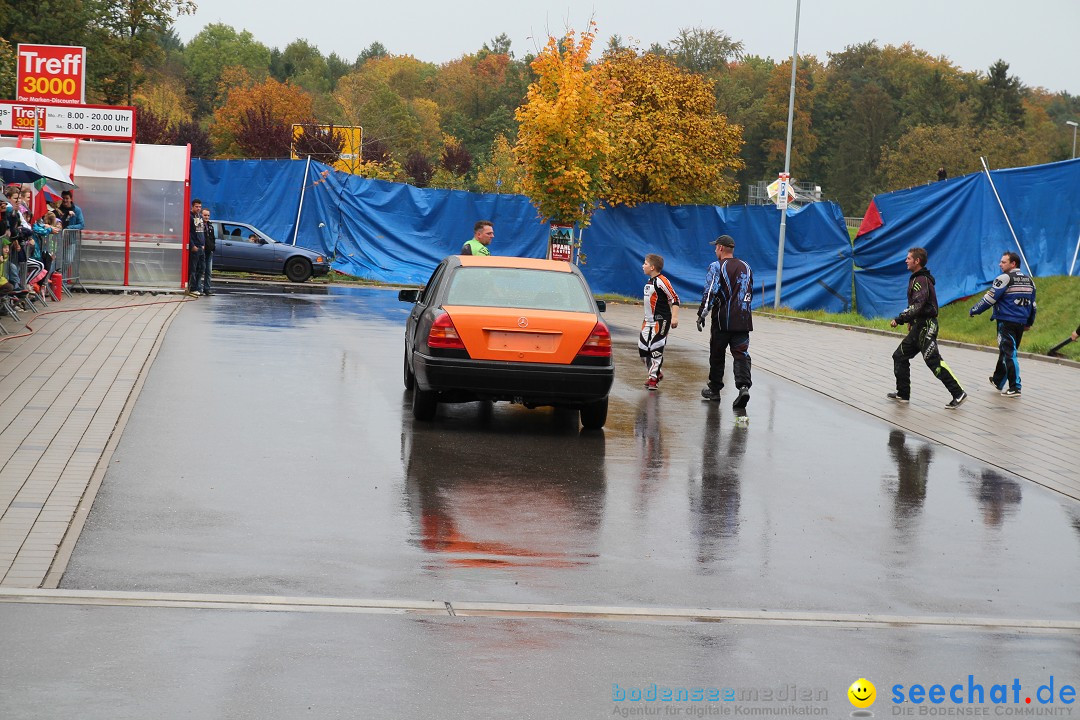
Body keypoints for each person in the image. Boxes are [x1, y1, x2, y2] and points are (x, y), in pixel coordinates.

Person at [888, 247, 967, 409]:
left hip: (927, 327)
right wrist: (912, 320)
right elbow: (917, 307)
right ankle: (903, 394)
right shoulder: (916, 278)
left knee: (933, 362)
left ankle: (958, 393)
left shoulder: (921, 280)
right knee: (899, 356)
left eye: (909, 258)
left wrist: (901, 319)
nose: (906, 261)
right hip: (918, 326)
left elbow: (918, 304)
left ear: (917, 261)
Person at [696, 235, 753, 409]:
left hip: (722, 320)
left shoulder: (716, 267)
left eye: (715, 247)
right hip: (743, 320)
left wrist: (702, 314)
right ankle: (743, 387)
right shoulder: (746, 266)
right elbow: (749, 291)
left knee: (717, 354)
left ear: (720, 248)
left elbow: (710, 292)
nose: (714, 250)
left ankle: (714, 390)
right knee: (741, 353)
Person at [969, 251, 1036, 397]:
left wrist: (974, 310)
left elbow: (990, 298)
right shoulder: (1029, 280)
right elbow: (1033, 305)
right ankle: (998, 380)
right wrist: (1029, 322)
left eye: (1003, 262)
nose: (1000, 264)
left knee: (1009, 353)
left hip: (1006, 322)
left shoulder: (1004, 278)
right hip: (1020, 322)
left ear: (1013, 264)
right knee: (1007, 351)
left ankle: (1015, 387)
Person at [639, 253, 679, 390]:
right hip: (647, 322)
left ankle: (653, 379)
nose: (642, 266)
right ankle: (656, 372)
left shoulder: (662, 281)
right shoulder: (649, 282)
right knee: (643, 349)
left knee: (656, 349)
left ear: (652, 267)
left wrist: (674, 317)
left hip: (661, 321)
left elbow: (675, 299)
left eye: (645, 263)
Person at [187, 199, 205, 297]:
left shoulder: (199, 217)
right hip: (195, 247)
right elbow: (189, 233)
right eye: (196, 206)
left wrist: (203, 244)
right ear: (192, 206)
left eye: (200, 207)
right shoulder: (190, 217)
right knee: (193, 268)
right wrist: (192, 245)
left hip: (201, 246)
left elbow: (201, 232)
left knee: (201, 268)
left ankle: (197, 286)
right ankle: (192, 288)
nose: (198, 208)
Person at [200, 208, 215, 295]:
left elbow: (212, 238)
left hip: (209, 251)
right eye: (205, 215)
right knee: (201, 269)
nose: (207, 217)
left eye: (208, 215)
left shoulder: (210, 226)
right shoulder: (199, 225)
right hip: (202, 251)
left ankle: (207, 289)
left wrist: (213, 248)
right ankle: (198, 288)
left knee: (209, 271)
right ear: (201, 215)